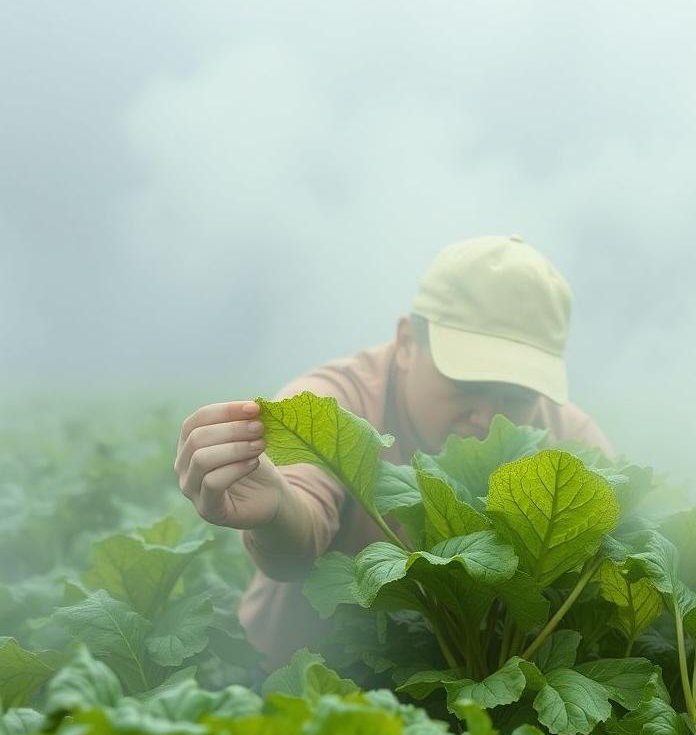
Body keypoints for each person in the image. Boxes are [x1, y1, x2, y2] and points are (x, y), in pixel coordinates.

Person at [175, 235, 615, 668]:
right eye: (467, 386)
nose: (487, 415)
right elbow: (300, 533)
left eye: (517, 396)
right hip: (304, 685)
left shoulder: (571, 441)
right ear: (406, 343)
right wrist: (277, 511)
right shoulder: (332, 403)